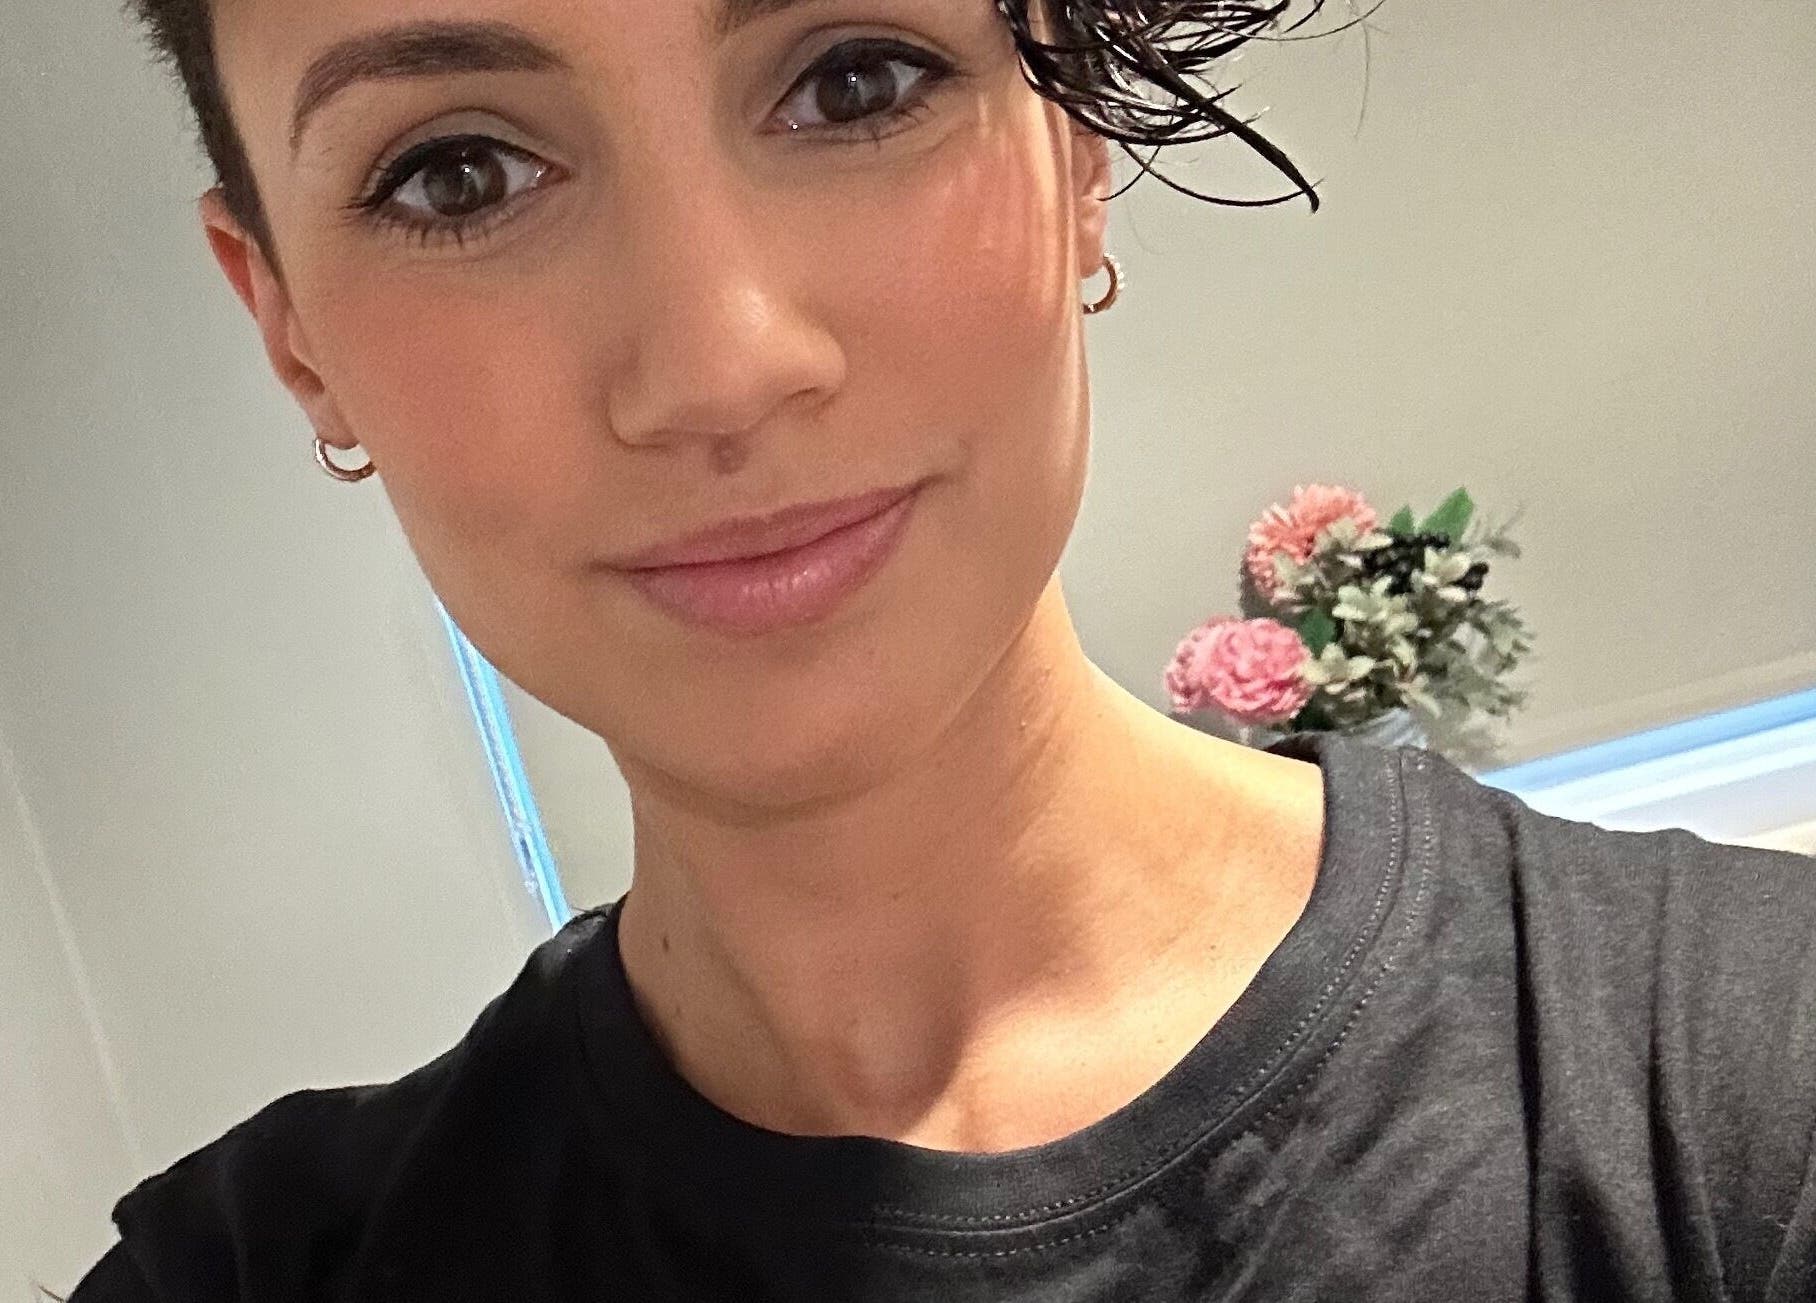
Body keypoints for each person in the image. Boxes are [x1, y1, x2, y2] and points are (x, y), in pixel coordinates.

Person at [65, 0, 1816, 1298]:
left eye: (858, 78)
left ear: (1079, 142)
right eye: (456, 172)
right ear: (288, 324)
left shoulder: (1740, 1086)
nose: (723, 359)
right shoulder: (258, 1273)